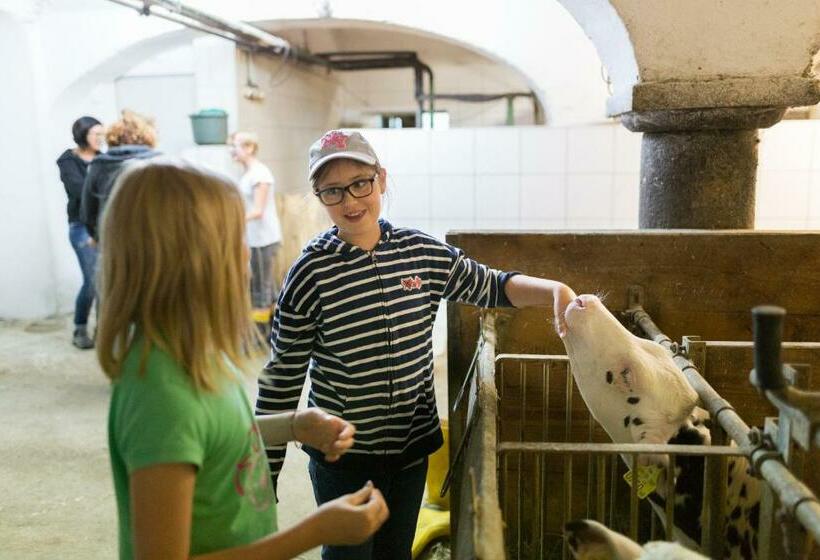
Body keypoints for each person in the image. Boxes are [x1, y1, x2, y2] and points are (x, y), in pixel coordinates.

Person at [257, 130, 577, 560]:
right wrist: (265, 472)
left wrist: (555, 289)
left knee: (396, 551)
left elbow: (492, 285)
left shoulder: (420, 252)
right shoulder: (310, 272)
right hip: (343, 456)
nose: (350, 202)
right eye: (332, 191)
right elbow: (282, 375)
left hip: (411, 449)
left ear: (381, 179)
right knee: (348, 554)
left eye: (360, 183)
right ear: (319, 196)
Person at [96, 159, 389, 560]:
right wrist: (314, 532)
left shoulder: (194, 353)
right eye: (236, 241)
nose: (248, 257)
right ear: (194, 262)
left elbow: (213, 434)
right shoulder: (160, 396)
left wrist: (292, 425)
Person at [56, 116, 104, 349]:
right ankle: (80, 328)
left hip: (105, 227)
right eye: (96, 134)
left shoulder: (104, 160)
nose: (100, 139)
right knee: (93, 280)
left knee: (107, 282)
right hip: (81, 227)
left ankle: (104, 331)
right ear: (82, 135)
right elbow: (78, 190)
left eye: (102, 134)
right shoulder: (68, 161)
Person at [81, 110, 160, 241]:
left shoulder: (99, 166)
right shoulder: (161, 163)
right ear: (149, 136)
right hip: (157, 241)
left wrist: (99, 239)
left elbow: (88, 214)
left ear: (113, 137)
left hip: (115, 243)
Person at [230, 132, 283, 324]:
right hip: (253, 239)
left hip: (263, 239)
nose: (231, 150)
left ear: (249, 148)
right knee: (263, 287)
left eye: (235, 146)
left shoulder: (260, 174)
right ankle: (271, 331)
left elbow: (258, 211)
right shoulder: (248, 174)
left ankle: (262, 338)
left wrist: (230, 219)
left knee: (262, 289)